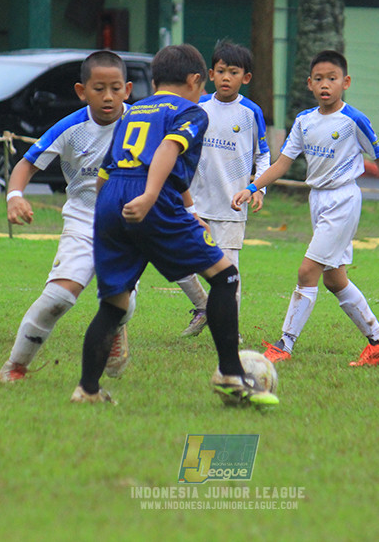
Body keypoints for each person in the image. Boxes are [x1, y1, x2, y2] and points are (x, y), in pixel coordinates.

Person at [71, 44, 278, 407]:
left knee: (113, 305)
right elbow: (168, 150)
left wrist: (111, 217)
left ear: (154, 81)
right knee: (225, 276)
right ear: (197, 80)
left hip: (111, 198)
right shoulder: (191, 111)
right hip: (149, 196)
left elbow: (108, 168)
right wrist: (151, 196)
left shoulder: (134, 113)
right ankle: (231, 373)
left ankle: (86, 390)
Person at [231, 49, 379, 366]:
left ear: (346, 82)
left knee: (307, 271)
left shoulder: (354, 120)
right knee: (334, 279)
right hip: (318, 200)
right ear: (309, 84)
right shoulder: (304, 121)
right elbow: (283, 163)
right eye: (319, 79)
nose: (325, 85)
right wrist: (252, 186)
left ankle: (283, 345)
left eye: (332, 78)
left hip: (343, 200)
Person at [0, 50, 135, 383]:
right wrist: (15, 197)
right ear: (81, 91)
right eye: (98, 88)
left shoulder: (141, 123)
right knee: (58, 297)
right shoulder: (70, 127)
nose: (108, 97)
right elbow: (26, 164)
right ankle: (15, 366)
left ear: (127, 90)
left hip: (128, 226)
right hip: (83, 221)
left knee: (122, 304)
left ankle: (116, 329)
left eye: (115, 88)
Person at [177, 41, 271, 337]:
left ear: (246, 78)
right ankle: (203, 306)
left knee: (229, 274)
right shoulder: (199, 107)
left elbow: (263, 155)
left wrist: (258, 187)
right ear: (210, 74)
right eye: (221, 71)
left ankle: (230, 331)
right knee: (177, 260)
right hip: (193, 204)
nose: (226, 77)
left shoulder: (251, 112)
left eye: (234, 72)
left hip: (231, 207)